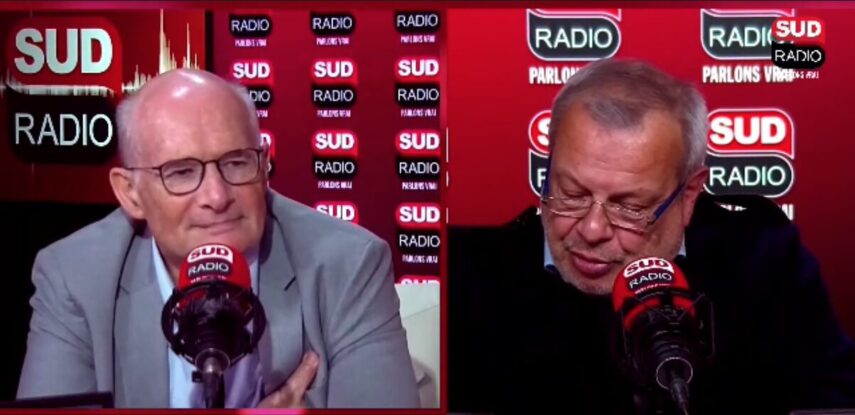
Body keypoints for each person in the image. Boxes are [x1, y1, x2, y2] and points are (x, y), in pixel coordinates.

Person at [448, 58, 855, 414]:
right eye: (571, 193)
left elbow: (832, 402)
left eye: (629, 207)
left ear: (688, 196)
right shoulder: (471, 278)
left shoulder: (764, 263)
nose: (592, 229)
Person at [17, 69, 420, 408]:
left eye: (236, 162)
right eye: (181, 172)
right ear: (130, 193)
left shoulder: (349, 265)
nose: (216, 196)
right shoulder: (74, 278)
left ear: (263, 167)